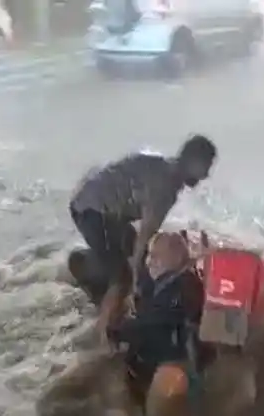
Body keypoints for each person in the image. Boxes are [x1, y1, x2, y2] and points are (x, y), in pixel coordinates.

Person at [68, 134, 217, 341]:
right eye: (206, 167)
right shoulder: (167, 188)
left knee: (129, 254)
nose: (206, 175)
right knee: (123, 277)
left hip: (90, 202)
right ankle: (102, 338)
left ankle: (90, 269)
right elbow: (144, 238)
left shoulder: (161, 164)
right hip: (93, 212)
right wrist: (136, 280)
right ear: (193, 162)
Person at [108, 230, 204, 404]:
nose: (149, 261)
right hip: (154, 358)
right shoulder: (158, 282)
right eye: (149, 255)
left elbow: (157, 321)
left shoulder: (185, 286)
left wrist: (119, 331)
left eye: (156, 256)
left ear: (176, 258)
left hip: (175, 364)